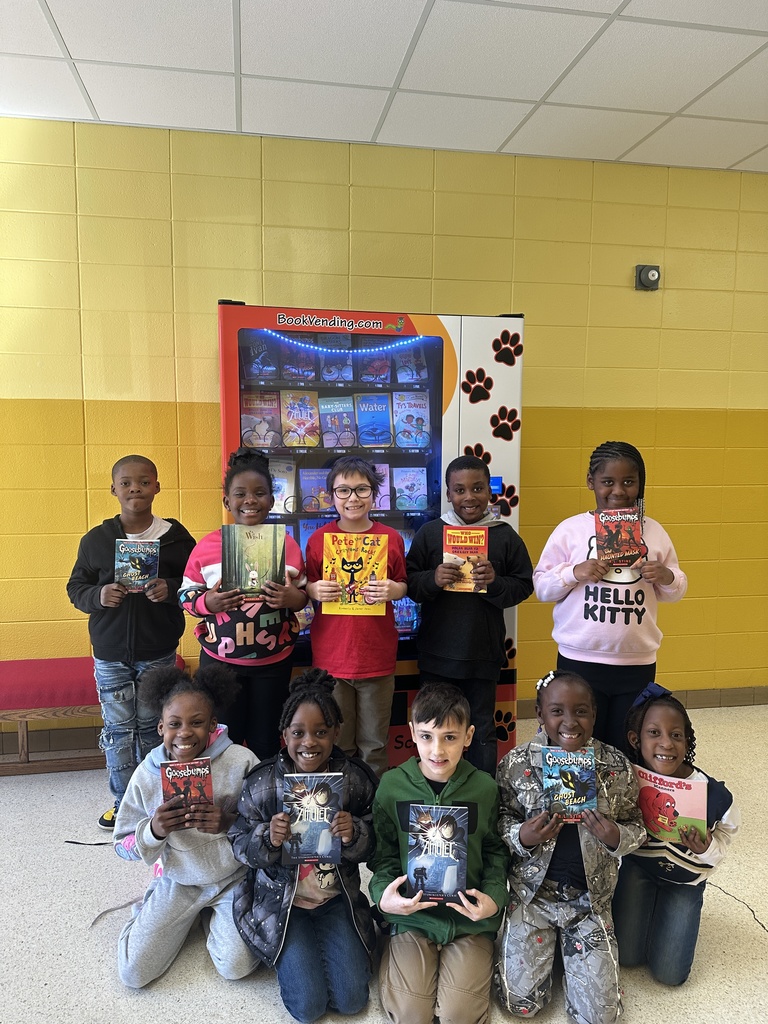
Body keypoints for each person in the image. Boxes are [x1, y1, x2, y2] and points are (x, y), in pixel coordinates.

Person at [495, 669, 645, 1024]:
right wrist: (523, 836)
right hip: (533, 897)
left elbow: (638, 824)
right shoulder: (516, 765)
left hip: (589, 900)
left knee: (601, 1018)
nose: (569, 721)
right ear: (539, 713)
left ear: (595, 715)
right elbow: (500, 819)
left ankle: (570, 950)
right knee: (520, 1006)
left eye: (581, 711)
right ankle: (551, 948)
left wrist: (615, 837)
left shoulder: (616, 766)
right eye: (557, 710)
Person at [229, 668, 377, 1024]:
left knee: (353, 1000)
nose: (309, 742)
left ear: (336, 733)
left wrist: (354, 833)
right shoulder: (264, 782)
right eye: (298, 733)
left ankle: (324, 942)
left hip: (335, 898)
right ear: (284, 735)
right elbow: (237, 842)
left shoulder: (353, 779)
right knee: (307, 1008)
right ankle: (298, 949)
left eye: (321, 732)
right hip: (282, 903)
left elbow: (378, 841)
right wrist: (268, 837)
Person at [67, 455, 196, 829]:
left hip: (157, 650)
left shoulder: (175, 538)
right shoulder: (96, 540)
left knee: (155, 725)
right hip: (110, 652)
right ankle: (124, 802)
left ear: (157, 487)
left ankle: (156, 799)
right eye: (126, 483)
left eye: (143, 481)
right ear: (113, 490)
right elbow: (76, 588)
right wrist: (98, 595)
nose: (135, 489)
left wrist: (170, 588)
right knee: (118, 729)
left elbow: (193, 585)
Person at [533, 440, 687, 752]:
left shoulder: (653, 531)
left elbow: (675, 590)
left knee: (629, 742)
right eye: (607, 482)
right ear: (591, 482)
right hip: (579, 658)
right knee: (576, 742)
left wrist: (666, 576)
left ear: (640, 484)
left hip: (637, 661)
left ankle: (623, 799)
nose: (618, 491)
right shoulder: (571, 530)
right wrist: (574, 572)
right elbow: (542, 587)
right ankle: (576, 802)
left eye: (628, 482)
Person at [369, 682, 509, 1024]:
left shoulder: (485, 788)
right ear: (413, 733)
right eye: (427, 736)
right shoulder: (391, 786)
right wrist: (384, 898)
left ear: (469, 735)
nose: (437, 750)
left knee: (458, 1017)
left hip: (468, 919)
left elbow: (495, 851)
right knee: (412, 1015)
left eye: (449, 737)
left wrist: (493, 898)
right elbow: (383, 855)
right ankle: (395, 949)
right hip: (413, 915)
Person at [112, 662, 259, 988]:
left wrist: (230, 822)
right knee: (133, 974)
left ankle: (208, 917)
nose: (185, 733)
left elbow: (268, 825)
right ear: (161, 727)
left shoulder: (241, 761)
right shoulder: (147, 775)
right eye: (175, 724)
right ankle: (154, 913)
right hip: (178, 881)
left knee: (237, 967)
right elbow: (121, 845)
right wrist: (154, 831)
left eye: (196, 723)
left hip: (232, 878)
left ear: (212, 724)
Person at [406, 454, 533, 775]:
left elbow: (523, 585)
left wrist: (495, 583)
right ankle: (437, 795)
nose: (469, 497)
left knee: (481, 730)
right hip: (436, 652)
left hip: (482, 653)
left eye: (477, 488)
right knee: (434, 729)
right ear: (448, 494)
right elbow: (408, 582)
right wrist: (432, 579)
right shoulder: (431, 533)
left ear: (490, 492)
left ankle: (482, 799)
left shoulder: (504, 536)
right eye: (459, 490)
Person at [179, 447, 308, 758]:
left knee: (267, 738)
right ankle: (228, 803)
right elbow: (186, 595)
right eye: (240, 494)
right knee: (223, 738)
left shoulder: (287, 545)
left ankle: (262, 800)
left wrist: (293, 598)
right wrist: (208, 601)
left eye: (260, 493)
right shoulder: (208, 546)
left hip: (273, 661)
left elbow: (305, 594)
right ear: (227, 501)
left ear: (272, 500)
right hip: (220, 662)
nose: (250, 500)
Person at [612, 683, 739, 986]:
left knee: (670, 975)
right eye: (654, 733)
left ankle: (672, 909)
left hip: (685, 881)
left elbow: (728, 833)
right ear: (635, 739)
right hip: (639, 870)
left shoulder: (712, 794)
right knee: (627, 957)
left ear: (687, 741)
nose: (666, 744)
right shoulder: (628, 778)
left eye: (676, 735)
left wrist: (708, 847)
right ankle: (649, 905)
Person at [305, 456, 407, 777]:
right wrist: (313, 590)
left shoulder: (391, 539)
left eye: (361, 490)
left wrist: (394, 590)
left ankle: (373, 807)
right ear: (331, 495)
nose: (353, 498)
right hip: (332, 658)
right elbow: (303, 586)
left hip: (376, 657)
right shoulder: (318, 540)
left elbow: (404, 584)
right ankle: (344, 803)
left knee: (375, 743)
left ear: (374, 493)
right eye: (343, 491)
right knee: (338, 742)